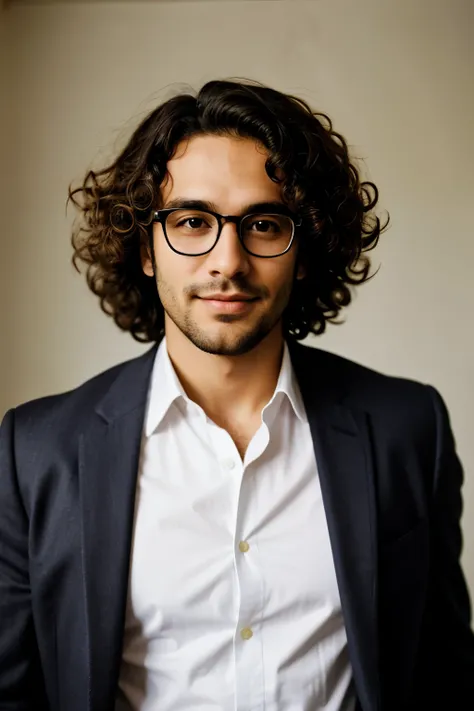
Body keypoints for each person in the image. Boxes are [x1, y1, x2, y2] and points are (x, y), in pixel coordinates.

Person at [0, 78, 473, 711]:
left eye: (264, 223)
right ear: (145, 246)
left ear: (304, 250)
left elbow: (442, 676)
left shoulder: (407, 430)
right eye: (192, 221)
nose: (228, 260)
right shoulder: (35, 451)